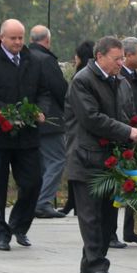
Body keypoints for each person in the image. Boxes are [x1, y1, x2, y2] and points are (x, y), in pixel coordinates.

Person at [65, 36, 137, 273]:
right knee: (90, 215)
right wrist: (126, 132)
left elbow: (129, 115)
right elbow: (91, 118)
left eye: (122, 58)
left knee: (107, 216)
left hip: (111, 157)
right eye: (116, 58)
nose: (121, 63)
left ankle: (89, 262)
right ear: (100, 57)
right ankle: (98, 264)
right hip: (86, 155)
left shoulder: (120, 81)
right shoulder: (82, 81)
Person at [0, 19, 49, 251]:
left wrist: (40, 110)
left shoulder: (33, 61)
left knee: (33, 182)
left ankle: (18, 225)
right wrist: (2, 111)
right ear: (2, 38)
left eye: (20, 38)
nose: (17, 42)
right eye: (13, 38)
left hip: (27, 135)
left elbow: (44, 92)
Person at [109, 37, 137, 247]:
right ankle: (109, 233)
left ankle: (131, 230)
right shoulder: (118, 77)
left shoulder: (135, 75)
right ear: (126, 55)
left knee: (135, 184)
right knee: (117, 187)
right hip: (122, 133)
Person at [28, 25, 69, 219]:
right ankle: (42, 202)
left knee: (42, 161)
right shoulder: (46, 60)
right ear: (47, 40)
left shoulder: (25, 56)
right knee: (57, 159)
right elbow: (59, 89)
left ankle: (35, 200)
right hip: (50, 117)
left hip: (29, 116)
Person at [59, 40, 95, 216]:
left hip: (76, 130)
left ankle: (73, 202)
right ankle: (73, 202)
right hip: (82, 130)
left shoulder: (79, 77)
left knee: (75, 167)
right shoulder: (90, 76)